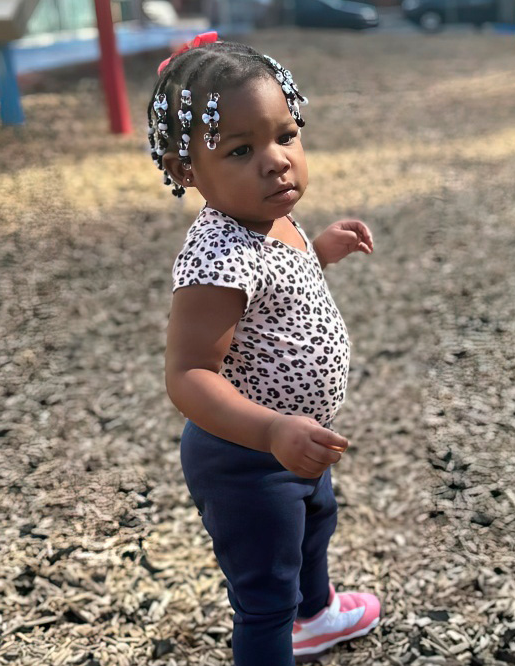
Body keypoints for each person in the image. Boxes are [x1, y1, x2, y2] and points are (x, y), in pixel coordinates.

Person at [148, 32, 381, 665]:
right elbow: (189, 374)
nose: (276, 160)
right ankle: (284, 629)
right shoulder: (216, 257)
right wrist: (273, 430)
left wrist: (320, 253)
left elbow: (279, 296)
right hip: (245, 457)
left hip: (295, 442)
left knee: (311, 533)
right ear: (186, 171)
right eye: (242, 149)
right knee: (263, 592)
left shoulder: (270, 215)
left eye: (285, 135)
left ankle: (317, 615)